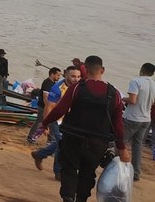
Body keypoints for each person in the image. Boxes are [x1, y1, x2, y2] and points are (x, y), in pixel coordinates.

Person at [40, 56, 130, 202]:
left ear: (85, 70)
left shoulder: (77, 87)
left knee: (68, 168)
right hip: (97, 143)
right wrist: (122, 148)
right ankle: (81, 199)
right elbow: (118, 124)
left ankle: (68, 197)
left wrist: (45, 123)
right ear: (103, 70)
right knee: (88, 173)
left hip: (72, 138)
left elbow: (60, 109)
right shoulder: (115, 94)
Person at [31, 65, 81, 181]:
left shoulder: (79, 86)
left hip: (70, 120)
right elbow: (49, 107)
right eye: (73, 76)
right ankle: (58, 172)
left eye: (78, 76)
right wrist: (45, 124)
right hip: (57, 120)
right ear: (66, 75)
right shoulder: (57, 88)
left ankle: (39, 154)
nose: (76, 79)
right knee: (63, 144)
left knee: (61, 143)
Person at [122, 62, 155, 181]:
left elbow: (132, 100)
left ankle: (117, 169)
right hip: (146, 119)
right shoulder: (153, 84)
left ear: (142, 70)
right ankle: (136, 173)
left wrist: (121, 98)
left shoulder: (136, 81)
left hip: (133, 117)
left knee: (120, 142)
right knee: (137, 145)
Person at [27, 67, 63, 143]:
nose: (59, 77)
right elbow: (45, 97)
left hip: (49, 106)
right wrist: (48, 108)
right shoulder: (47, 83)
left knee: (52, 123)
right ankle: (31, 137)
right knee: (40, 121)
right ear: (52, 74)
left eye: (60, 75)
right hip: (43, 106)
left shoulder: (53, 84)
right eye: (58, 75)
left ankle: (50, 140)